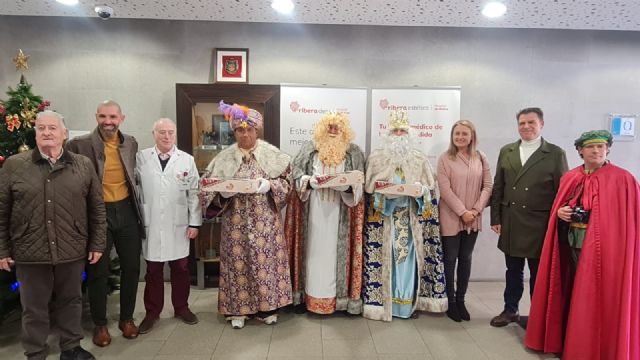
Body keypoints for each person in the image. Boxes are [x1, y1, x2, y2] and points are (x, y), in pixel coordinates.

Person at [0, 111, 106, 360]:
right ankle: (35, 352)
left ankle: (71, 347)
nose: (47, 133)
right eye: (41, 128)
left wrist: (97, 243)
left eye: (52, 128)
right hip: (29, 250)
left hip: (72, 247)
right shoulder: (15, 165)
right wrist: (2, 249)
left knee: (71, 300)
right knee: (33, 308)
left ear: (64, 133)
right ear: (35, 133)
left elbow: (97, 208)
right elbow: (1, 209)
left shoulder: (82, 164)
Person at [525, 130, 639, 360]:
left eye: (600, 147)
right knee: (572, 289)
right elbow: (559, 206)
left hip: (608, 253)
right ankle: (570, 339)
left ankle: (597, 345)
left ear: (607, 150)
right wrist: (561, 211)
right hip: (572, 245)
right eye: (590, 147)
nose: (595, 151)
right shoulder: (570, 177)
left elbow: (629, 223)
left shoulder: (623, 179)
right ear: (580, 151)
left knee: (598, 295)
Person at [201, 101, 292, 330]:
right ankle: (237, 310)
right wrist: (221, 193)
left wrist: (270, 185)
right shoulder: (223, 159)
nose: (244, 134)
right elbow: (206, 189)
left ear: (256, 130)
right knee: (237, 265)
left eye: (248, 129)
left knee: (265, 264)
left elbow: (288, 184)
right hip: (235, 224)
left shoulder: (272, 155)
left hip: (265, 224)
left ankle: (267, 308)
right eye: (239, 130)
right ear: (234, 132)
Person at [66, 100, 143, 345]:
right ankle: (100, 324)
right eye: (103, 116)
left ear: (122, 118)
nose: (107, 122)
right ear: (96, 116)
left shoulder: (130, 142)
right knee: (98, 271)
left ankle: (127, 319)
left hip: (127, 210)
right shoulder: (78, 145)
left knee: (131, 268)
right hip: (98, 214)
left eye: (112, 117)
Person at [362, 110, 447, 321]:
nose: (399, 134)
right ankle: (385, 303)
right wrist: (382, 192)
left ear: (408, 134)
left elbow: (430, 189)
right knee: (387, 259)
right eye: (395, 130)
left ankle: (407, 303)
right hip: (385, 220)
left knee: (408, 262)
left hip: (410, 221)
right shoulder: (377, 157)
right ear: (388, 134)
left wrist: (420, 190)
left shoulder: (419, 159)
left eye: (403, 130)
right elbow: (369, 187)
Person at [489, 107, 568, 327]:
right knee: (512, 270)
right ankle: (510, 310)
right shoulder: (508, 151)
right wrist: (496, 217)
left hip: (540, 224)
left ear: (541, 124)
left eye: (531, 122)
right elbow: (499, 185)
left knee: (538, 273)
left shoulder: (554, 153)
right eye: (522, 123)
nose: (526, 127)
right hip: (511, 220)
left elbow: (563, 191)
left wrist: (558, 222)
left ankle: (538, 315)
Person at [286, 112, 366, 315]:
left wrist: (346, 188)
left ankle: (337, 300)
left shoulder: (353, 152)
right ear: (323, 128)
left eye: (337, 127)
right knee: (314, 253)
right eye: (329, 126)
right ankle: (308, 297)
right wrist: (309, 182)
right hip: (314, 211)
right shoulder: (310, 149)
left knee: (334, 254)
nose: (333, 130)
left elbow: (359, 182)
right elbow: (295, 174)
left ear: (343, 130)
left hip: (340, 214)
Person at [135, 118, 202, 334]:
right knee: (153, 270)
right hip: (151, 222)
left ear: (175, 134)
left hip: (178, 224)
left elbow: (194, 194)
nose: (166, 136)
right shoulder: (141, 158)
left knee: (181, 268)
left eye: (170, 132)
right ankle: (152, 312)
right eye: (162, 132)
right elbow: (135, 190)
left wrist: (194, 223)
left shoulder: (186, 160)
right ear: (153, 133)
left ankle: (181, 307)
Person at [437, 120, 493, 322]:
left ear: (472, 136)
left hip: (473, 217)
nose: (460, 137)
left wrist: (476, 210)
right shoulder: (445, 158)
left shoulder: (481, 157)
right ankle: (450, 302)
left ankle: (461, 300)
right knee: (450, 259)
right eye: (457, 134)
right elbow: (445, 190)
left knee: (466, 258)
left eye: (464, 134)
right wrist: (462, 212)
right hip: (451, 215)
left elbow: (488, 186)